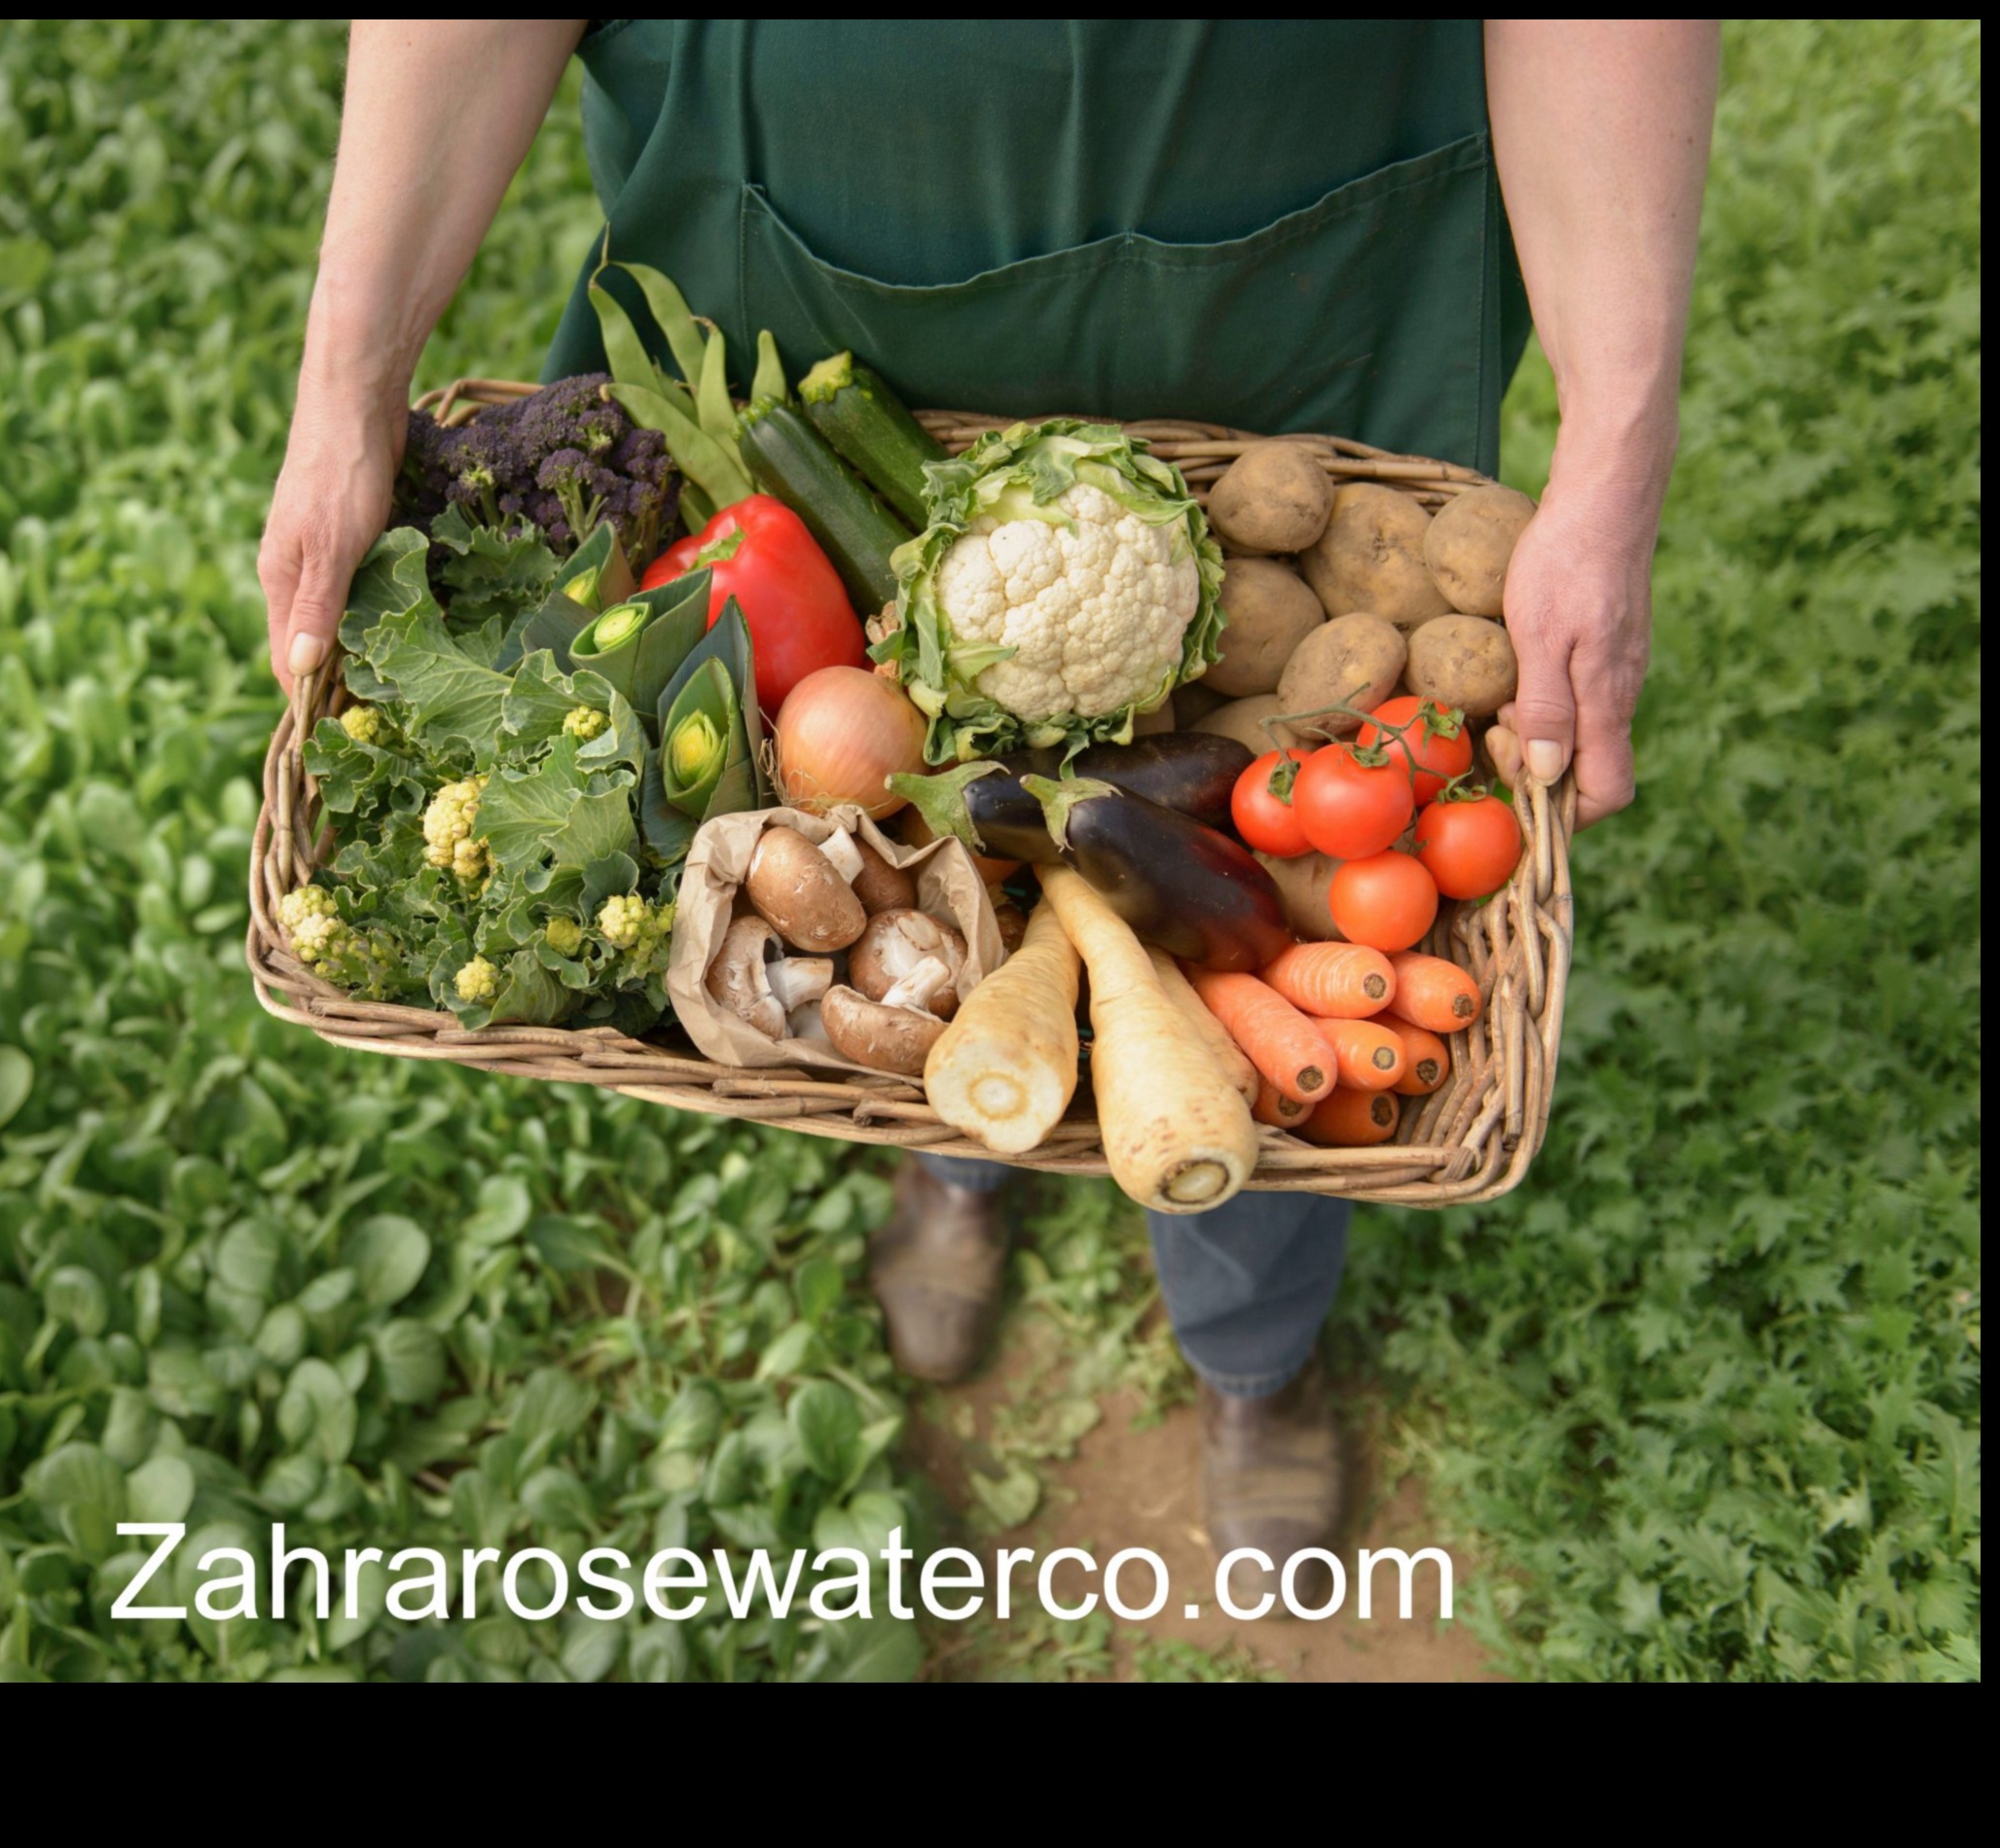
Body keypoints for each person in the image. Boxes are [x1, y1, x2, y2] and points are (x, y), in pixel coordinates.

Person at [259, 19, 1719, 1610]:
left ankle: (1250, 1337)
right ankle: (959, 1144)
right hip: (814, 265)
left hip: (1296, 265)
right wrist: (348, 383)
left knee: (1273, 927)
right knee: (949, 885)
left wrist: (1620, 438)